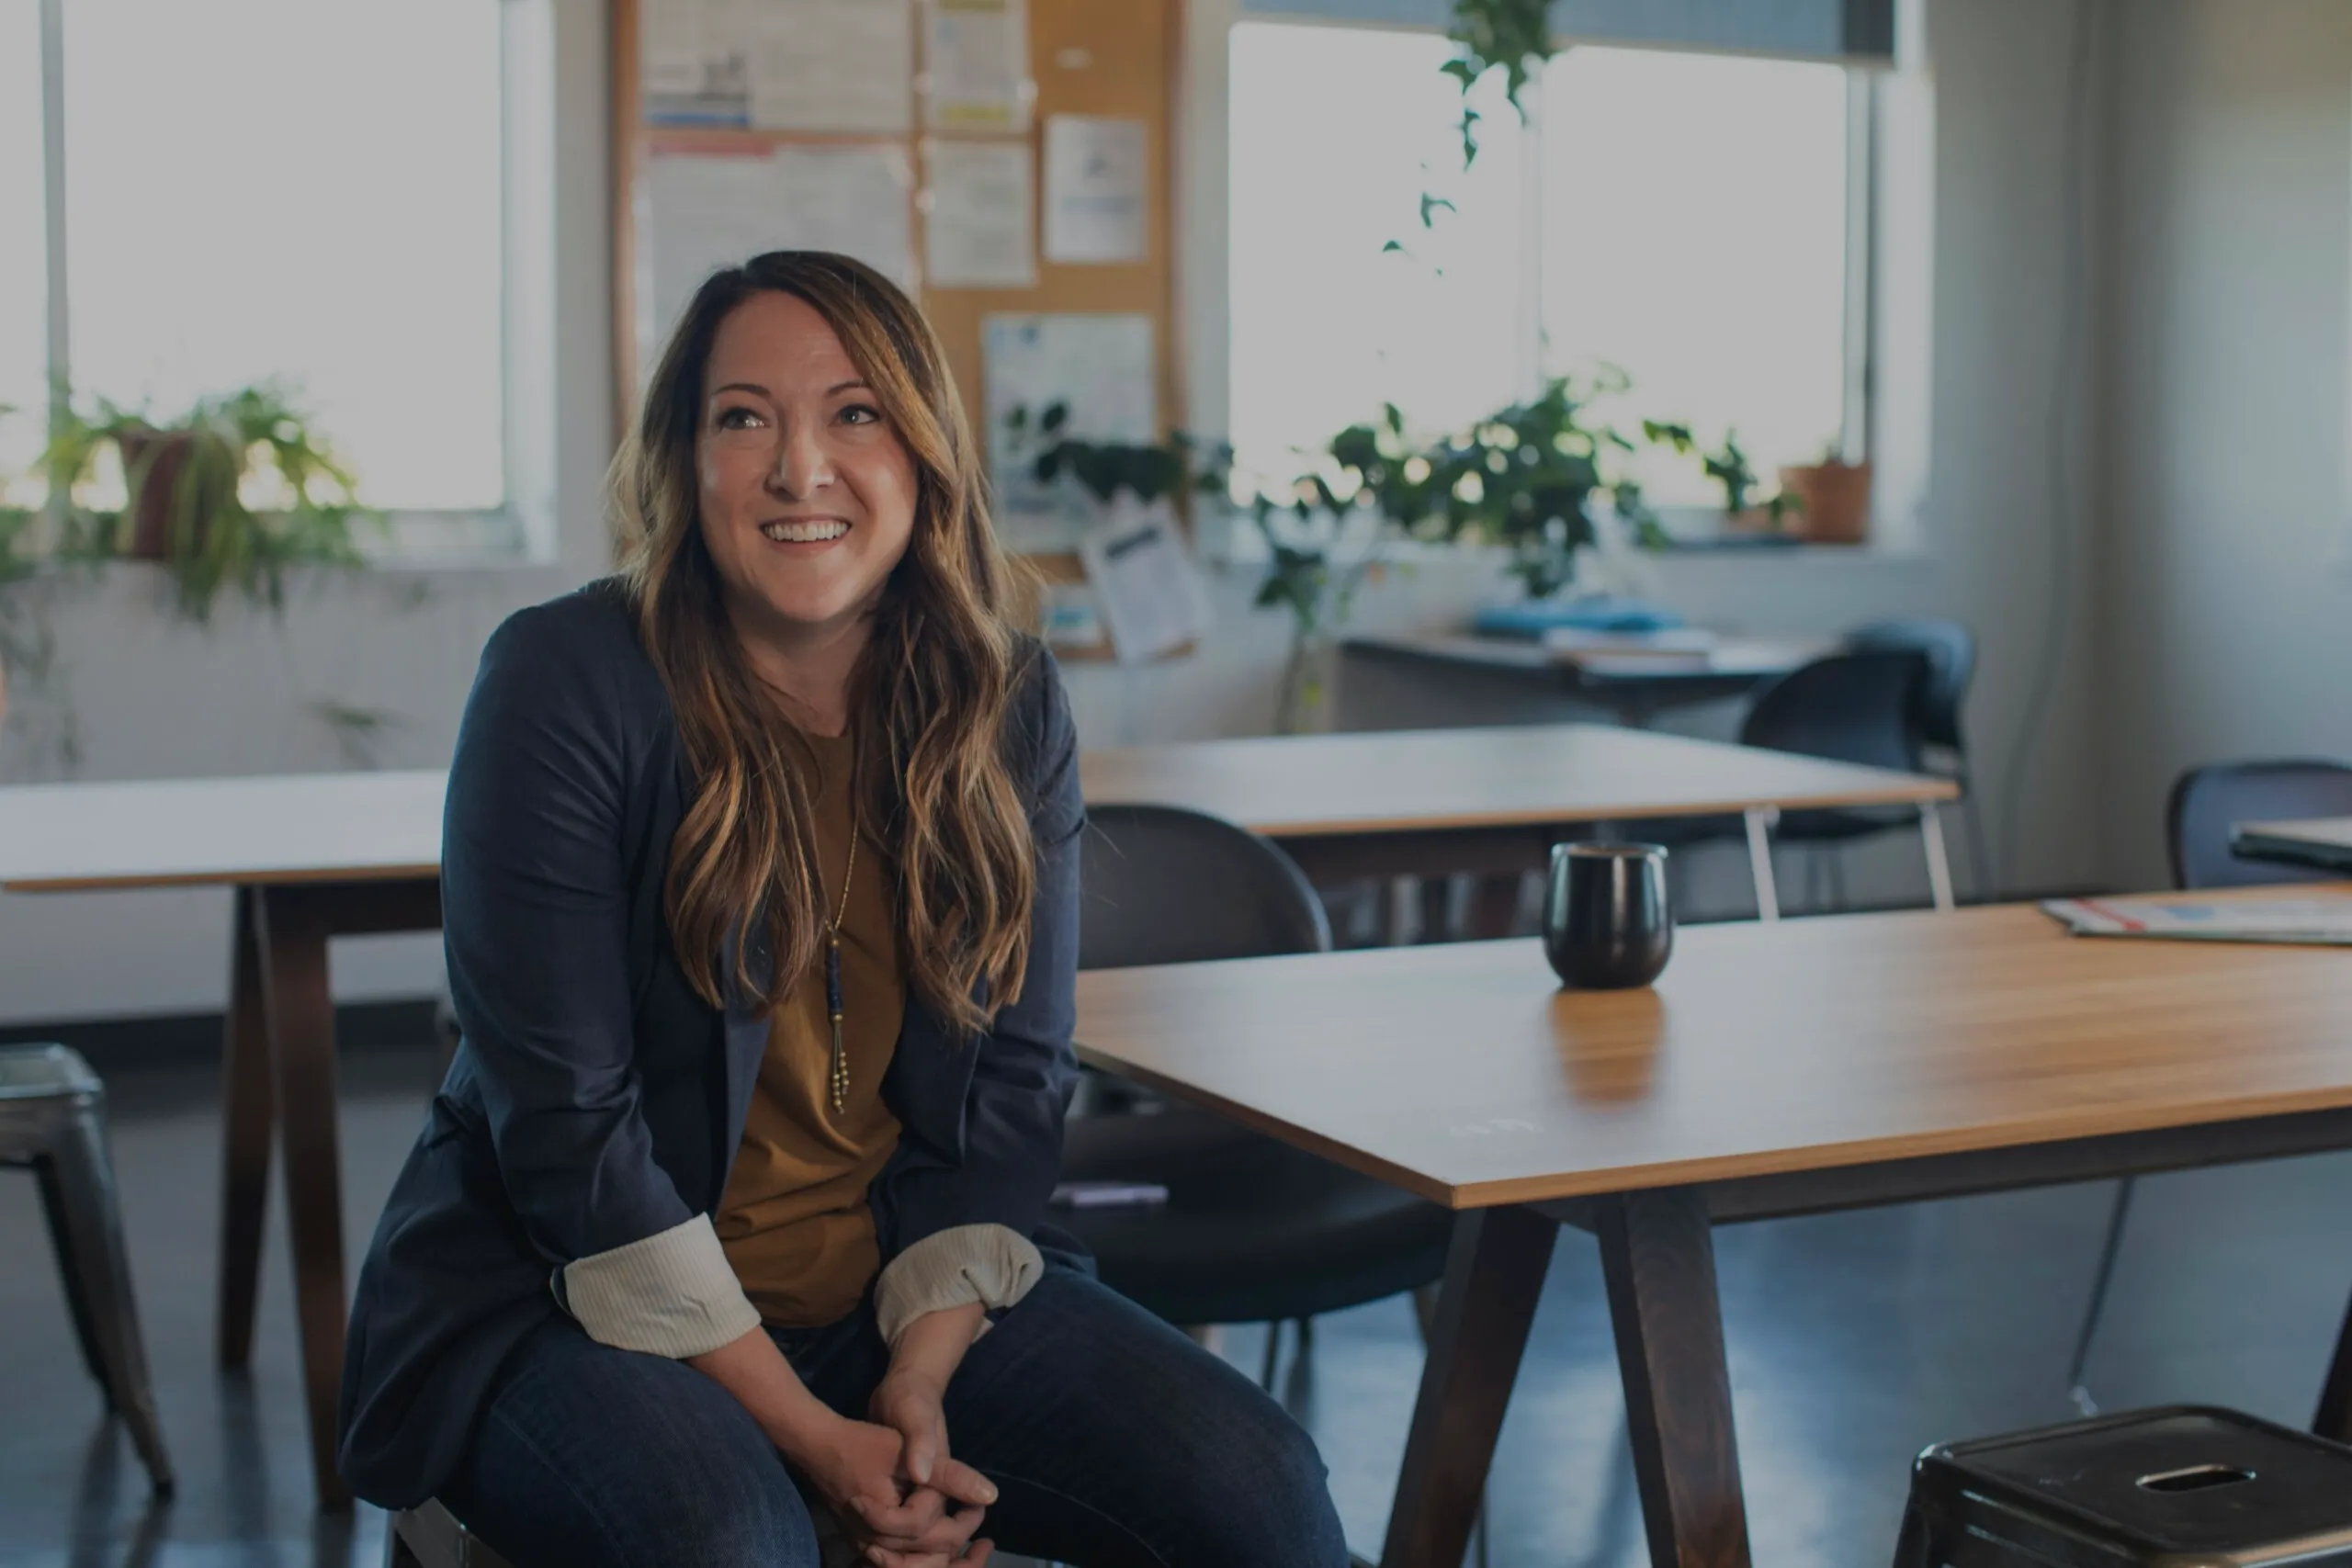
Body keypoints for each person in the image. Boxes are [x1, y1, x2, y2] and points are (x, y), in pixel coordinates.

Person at [337, 252, 1351, 1568]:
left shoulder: (1008, 699)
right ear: (684, 461)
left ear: (923, 450)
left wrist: (917, 1389)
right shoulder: (564, 679)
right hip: (568, 1301)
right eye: (743, 416)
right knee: (734, 1540)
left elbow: (1015, 1091)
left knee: (1261, 1490)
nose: (799, 467)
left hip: (895, 1292)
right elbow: (568, 1140)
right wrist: (821, 1447)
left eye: (855, 413)